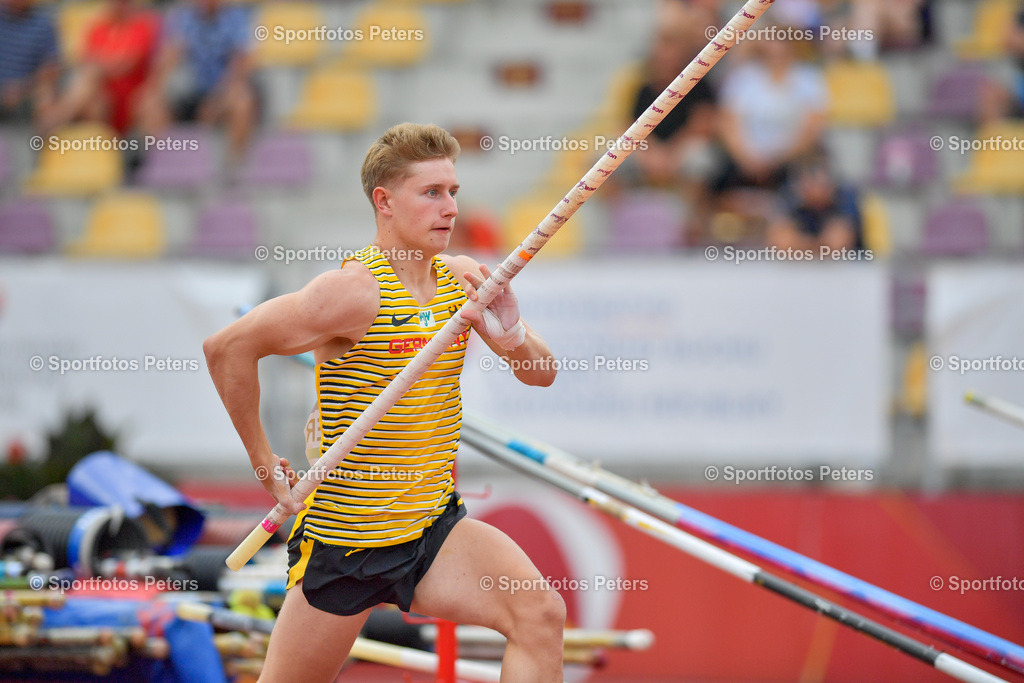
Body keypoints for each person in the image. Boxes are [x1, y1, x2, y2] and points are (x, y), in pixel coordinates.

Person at [203, 123, 566, 682]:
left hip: (430, 527)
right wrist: (262, 460)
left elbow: (542, 376)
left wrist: (513, 332)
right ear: (385, 202)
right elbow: (227, 348)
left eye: (453, 193)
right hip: (349, 543)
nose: (449, 208)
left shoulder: (463, 281)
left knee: (540, 615)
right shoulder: (350, 292)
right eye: (431, 193)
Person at [40, 0, 160, 134]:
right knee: (90, 93)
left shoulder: (142, 26)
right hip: (103, 96)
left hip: (131, 97)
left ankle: (58, 116)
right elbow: (88, 61)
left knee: (91, 76)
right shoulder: (99, 28)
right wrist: (109, 63)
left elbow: (129, 62)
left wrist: (102, 65)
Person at [766, 151, 863, 254]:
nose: (814, 188)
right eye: (808, 180)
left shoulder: (846, 198)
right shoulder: (789, 197)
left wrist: (800, 245)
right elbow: (782, 243)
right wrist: (817, 245)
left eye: (819, 179)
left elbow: (837, 245)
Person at [0, 0, 60, 127]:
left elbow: (51, 68)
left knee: (46, 91)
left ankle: (40, 139)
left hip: (27, 92)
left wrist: (22, 88)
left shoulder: (43, 23)